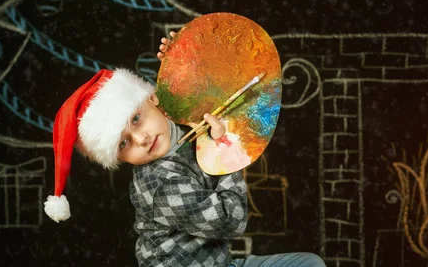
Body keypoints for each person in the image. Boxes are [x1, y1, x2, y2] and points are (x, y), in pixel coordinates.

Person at [44, 32, 326, 267]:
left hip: (220, 264)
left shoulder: (181, 127)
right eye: (123, 143)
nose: (141, 139)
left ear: (154, 99)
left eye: (136, 118)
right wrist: (224, 151)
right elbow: (231, 220)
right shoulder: (156, 184)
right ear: (119, 158)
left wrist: (185, 59)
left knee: (309, 265)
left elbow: (220, 96)